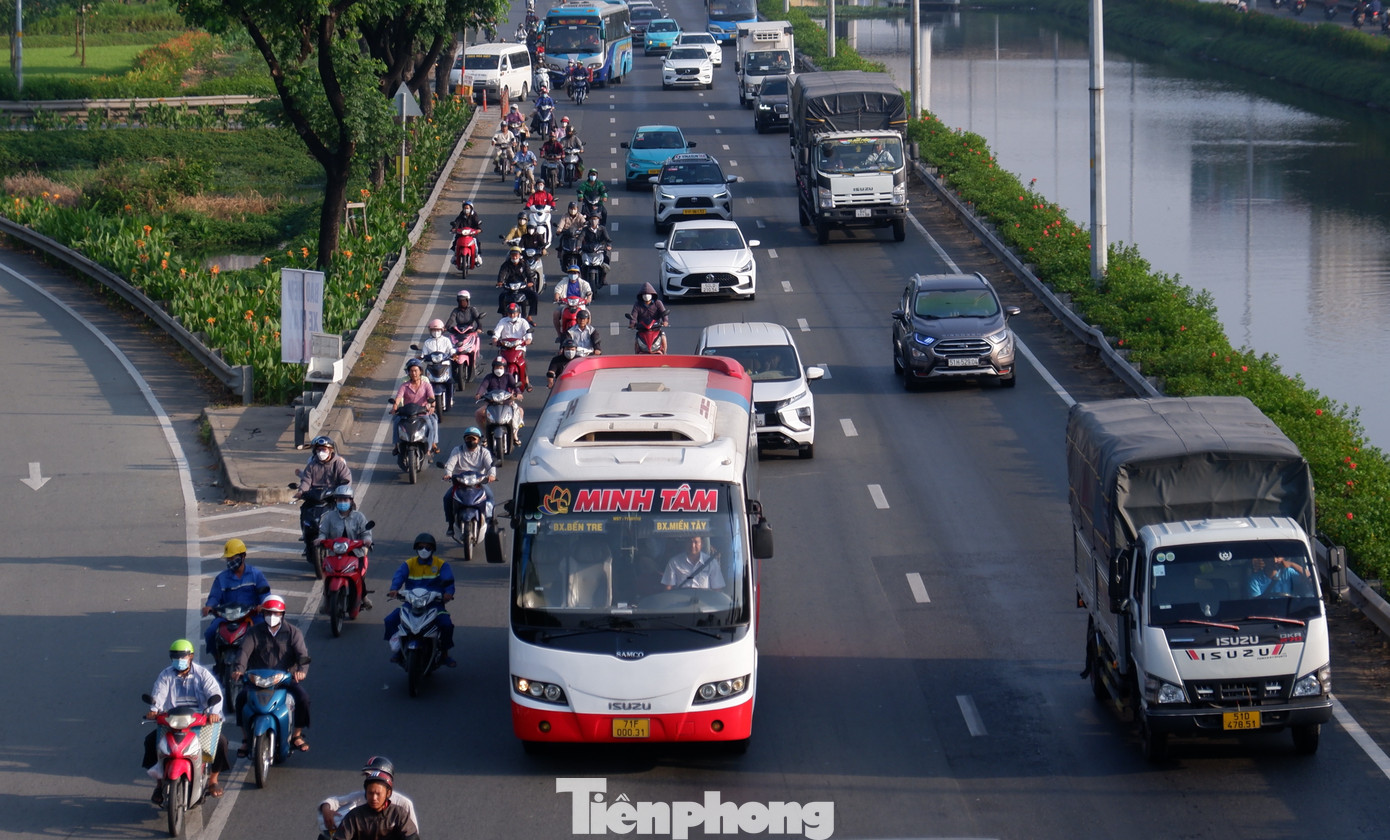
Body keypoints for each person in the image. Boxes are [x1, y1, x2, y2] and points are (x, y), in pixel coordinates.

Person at [143, 639, 230, 803]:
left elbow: (214, 693)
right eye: (175, 657)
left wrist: (213, 713)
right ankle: (159, 783)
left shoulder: (202, 674)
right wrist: (154, 710)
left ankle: (213, 780)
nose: (179, 660)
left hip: (200, 720)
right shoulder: (166, 674)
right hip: (172, 720)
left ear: (190, 656)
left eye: (182, 657)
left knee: (221, 743)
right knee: (150, 742)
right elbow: (159, 694)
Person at [233, 594, 311, 754]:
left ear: (282, 615)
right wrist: (239, 669)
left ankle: (296, 735)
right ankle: (246, 739)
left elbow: (302, 655)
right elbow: (243, 652)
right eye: (268, 613)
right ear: (263, 614)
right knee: (241, 699)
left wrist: (301, 672)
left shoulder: (293, 632)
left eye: (276, 613)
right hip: (257, 680)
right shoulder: (254, 632)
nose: (272, 617)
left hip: (285, 679)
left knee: (303, 698)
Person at [384, 533, 457, 666]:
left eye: (428, 547)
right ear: (416, 548)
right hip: (411, 604)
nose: (424, 550)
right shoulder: (409, 564)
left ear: (433, 549)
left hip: (434, 605)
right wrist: (394, 589)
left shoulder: (441, 565)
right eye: (421, 547)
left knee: (446, 624)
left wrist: (448, 593)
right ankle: (398, 650)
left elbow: (449, 582)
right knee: (390, 620)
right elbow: (399, 576)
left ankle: (445, 654)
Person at [318, 757, 419, 840]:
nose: (374, 798)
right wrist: (326, 809)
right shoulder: (355, 814)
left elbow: (413, 835)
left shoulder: (401, 808)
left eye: (378, 793)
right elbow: (334, 802)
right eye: (367, 776)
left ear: (388, 791)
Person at [202, 538, 270, 655]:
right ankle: (218, 661)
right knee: (210, 633)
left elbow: (265, 594)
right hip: (227, 617)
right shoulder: (221, 578)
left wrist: (263, 606)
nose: (230, 561)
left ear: (243, 556)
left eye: (233, 558)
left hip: (252, 615)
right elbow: (214, 597)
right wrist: (209, 606)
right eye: (228, 558)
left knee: (266, 634)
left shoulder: (256, 575)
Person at [440, 427, 497, 537]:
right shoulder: (457, 450)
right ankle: (451, 524)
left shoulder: (484, 452)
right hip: (460, 483)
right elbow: (450, 464)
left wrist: (492, 475)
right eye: (468, 438)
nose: (471, 441)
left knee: (489, 497)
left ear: (478, 440)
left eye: (473, 439)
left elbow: (490, 466)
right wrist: (448, 474)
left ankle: (490, 520)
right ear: (464, 439)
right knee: (447, 498)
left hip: (478, 483)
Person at [390, 358, 439, 455]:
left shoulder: (426, 385)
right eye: (411, 371)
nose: (414, 373)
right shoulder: (404, 386)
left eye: (416, 371)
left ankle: (429, 449)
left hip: (422, 413)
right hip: (407, 413)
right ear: (408, 372)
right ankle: (396, 446)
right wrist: (395, 406)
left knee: (430, 426)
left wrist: (432, 406)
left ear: (420, 371)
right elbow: (399, 397)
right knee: (396, 422)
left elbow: (431, 397)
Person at [475, 355, 526, 444]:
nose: (498, 369)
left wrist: (518, 393)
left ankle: (514, 434)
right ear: (493, 368)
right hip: (491, 402)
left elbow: (514, 385)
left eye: (501, 367)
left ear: (504, 368)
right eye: (497, 367)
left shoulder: (508, 376)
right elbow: (483, 386)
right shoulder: (489, 377)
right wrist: (479, 394)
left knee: (520, 411)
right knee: (478, 413)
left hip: (507, 402)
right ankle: (486, 435)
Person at [491, 303, 535, 391]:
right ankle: (493, 382)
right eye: (510, 313)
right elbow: (497, 332)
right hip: (504, 347)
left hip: (519, 347)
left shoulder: (523, 322)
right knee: (496, 363)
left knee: (524, 362)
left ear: (518, 313)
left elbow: (528, 334)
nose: (512, 315)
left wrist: (527, 340)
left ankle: (526, 381)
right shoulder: (502, 321)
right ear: (507, 313)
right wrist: (495, 339)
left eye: (514, 313)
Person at [318, 485, 373, 553]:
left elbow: (365, 533)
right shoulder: (330, 516)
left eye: (345, 500)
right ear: (336, 501)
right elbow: (323, 532)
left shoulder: (359, 517)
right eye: (340, 500)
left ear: (351, 501)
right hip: (334, 553)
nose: (342, 502)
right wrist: (320, 539)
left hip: (356, 553)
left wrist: (367, 540)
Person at [296, 435, 352, 500]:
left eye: (324, 449)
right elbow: (306, 481)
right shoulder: (311, 466)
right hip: (315, 498)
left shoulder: (339, 464)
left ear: (330, 450)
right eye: (319, 450)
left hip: (334, 498)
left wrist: (341, 493)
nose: (321, 452)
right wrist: (301, 492)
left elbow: (346, 481)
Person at [496, 246, 539, 321]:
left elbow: (529, 273)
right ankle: (504, 314)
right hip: (509, 286)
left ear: (519, 255)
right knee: (501, 296)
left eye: (516, 255)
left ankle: (529, 316)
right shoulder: (506, 264)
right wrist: (500, 282)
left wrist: (530, 282)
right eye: (513, 255)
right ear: (510, 255)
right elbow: (502, 273)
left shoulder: (524, 263)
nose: (514, 257)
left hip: (522, 286)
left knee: (534, 295)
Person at [551, 265, 593, 338]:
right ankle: (559, 334)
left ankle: (586, 333)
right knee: (556, 314)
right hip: (565, 304)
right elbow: (557, 291)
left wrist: (588, 298)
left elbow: (589, 292)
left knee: (588, 315)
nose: (573, 275)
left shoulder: (584, 283)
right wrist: (557, 297)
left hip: (580, 305)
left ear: (578, 274)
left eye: (575, 273)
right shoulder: (563, 282)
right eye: (571, 273)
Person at [629, 282, 669, 353]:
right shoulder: (637, 305)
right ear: (641, 296)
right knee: (636, 342)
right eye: (644, 295)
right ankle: (636, 355)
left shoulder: (658, 303)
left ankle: (665, 354)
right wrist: (632, 323)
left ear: (652, 295)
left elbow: (664, 313)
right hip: (642, 329)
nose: (646, 296)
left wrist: (665, 321)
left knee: (663, 337)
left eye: (648, 294)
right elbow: (634, 315)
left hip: (655, 328)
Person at [579, 213, 612, 284]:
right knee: (580, 262)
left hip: (599, 249)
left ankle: (603, 278)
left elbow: (607, 239)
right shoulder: (585, 229)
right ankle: (582, 278)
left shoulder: (602, 229)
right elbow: (580, 238)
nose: (594, 221)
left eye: (596, 219)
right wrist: (578, 245)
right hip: (587, 250)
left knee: (606, 259)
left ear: (599, 220)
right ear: (590, 220)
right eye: (592, 219)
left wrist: (608, 245)